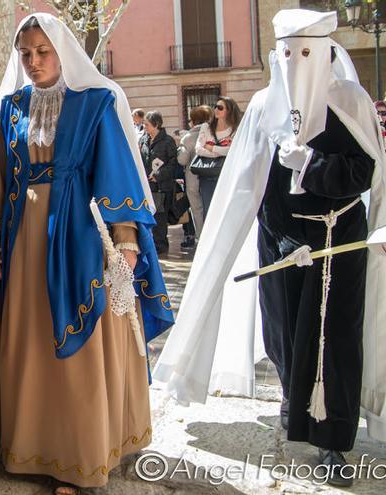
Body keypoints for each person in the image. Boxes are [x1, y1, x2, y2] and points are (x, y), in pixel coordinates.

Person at [153, 10, 386, 488]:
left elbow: (366, 174)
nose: (296, 64)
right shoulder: (262, 106)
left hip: (339, 242)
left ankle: (333, 436)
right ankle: (292, 403)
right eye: (287, 53)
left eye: (307, 53)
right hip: (281, 242)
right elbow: (246, 184)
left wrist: (310, 164)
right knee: (284, 331)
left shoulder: (350, 101)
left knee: (333, 338)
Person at [0, 14, 173, 492]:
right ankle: (32, 447)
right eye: (25, 54)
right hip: (25, 239)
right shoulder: (11, 107)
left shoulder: (97, 103)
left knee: (84, 344)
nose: (33, 62)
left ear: (62, 52)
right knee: (30, 340)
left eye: (43, 52)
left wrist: (125, 243)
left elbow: (115, 171)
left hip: (83, 238)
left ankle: (81, 453)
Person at [140, 110, 179, 254]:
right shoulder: (143, 140)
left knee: (160, 218)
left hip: (162, 187)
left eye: (147, 124)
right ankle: (151, 245)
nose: (145, 127)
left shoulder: (168, 141)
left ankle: (160, 247)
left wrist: (159, 176)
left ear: (156, 125)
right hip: (147, 185)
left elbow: (173, 164)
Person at [194, 96, 240, 216]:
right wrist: (220, 152)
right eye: (215, 106)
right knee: (209, 211)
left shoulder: (235, 130)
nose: (216, 109)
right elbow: (198, 149)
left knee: (227, 211)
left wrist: (211, 147)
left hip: (227, 175)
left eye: (220, 107)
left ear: (229, 110)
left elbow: (232, 151)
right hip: (207, 176)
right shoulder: (206, 127)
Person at [178, 105, 212, 238]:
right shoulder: (213, 133)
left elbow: (182, 160)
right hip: (212, 177)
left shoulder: (187, 137)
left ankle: (201, 238)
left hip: (193, 179)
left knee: (197, 210)